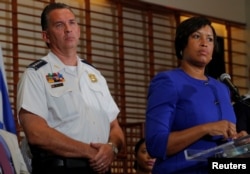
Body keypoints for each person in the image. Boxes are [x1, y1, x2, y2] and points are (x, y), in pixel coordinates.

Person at [17, 2, 124, 174]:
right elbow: (36, 133)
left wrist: (111, 148)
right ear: (46, 36)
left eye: (72, 22)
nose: (68, 29)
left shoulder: (96, 75)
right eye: (59, 25)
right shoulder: (36, 74)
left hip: (102, 168)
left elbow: (115, 127)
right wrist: (90, 152)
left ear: (79, 30)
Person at [145, 16, 248, 174]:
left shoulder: (221, 88)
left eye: (210, 39)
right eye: (196, 36)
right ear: (181, 45)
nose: (204, 43)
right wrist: (205, 128)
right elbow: (156, 145)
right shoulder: (168, 82)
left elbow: (224, 147)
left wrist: (239, 144)